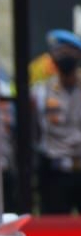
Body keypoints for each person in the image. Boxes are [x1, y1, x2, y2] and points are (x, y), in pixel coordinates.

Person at [34, 29, 81, 214]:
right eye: (60, 53)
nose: (64, 57)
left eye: (69, 53)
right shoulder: (41, 92)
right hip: (55, 173)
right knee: (54, 226)